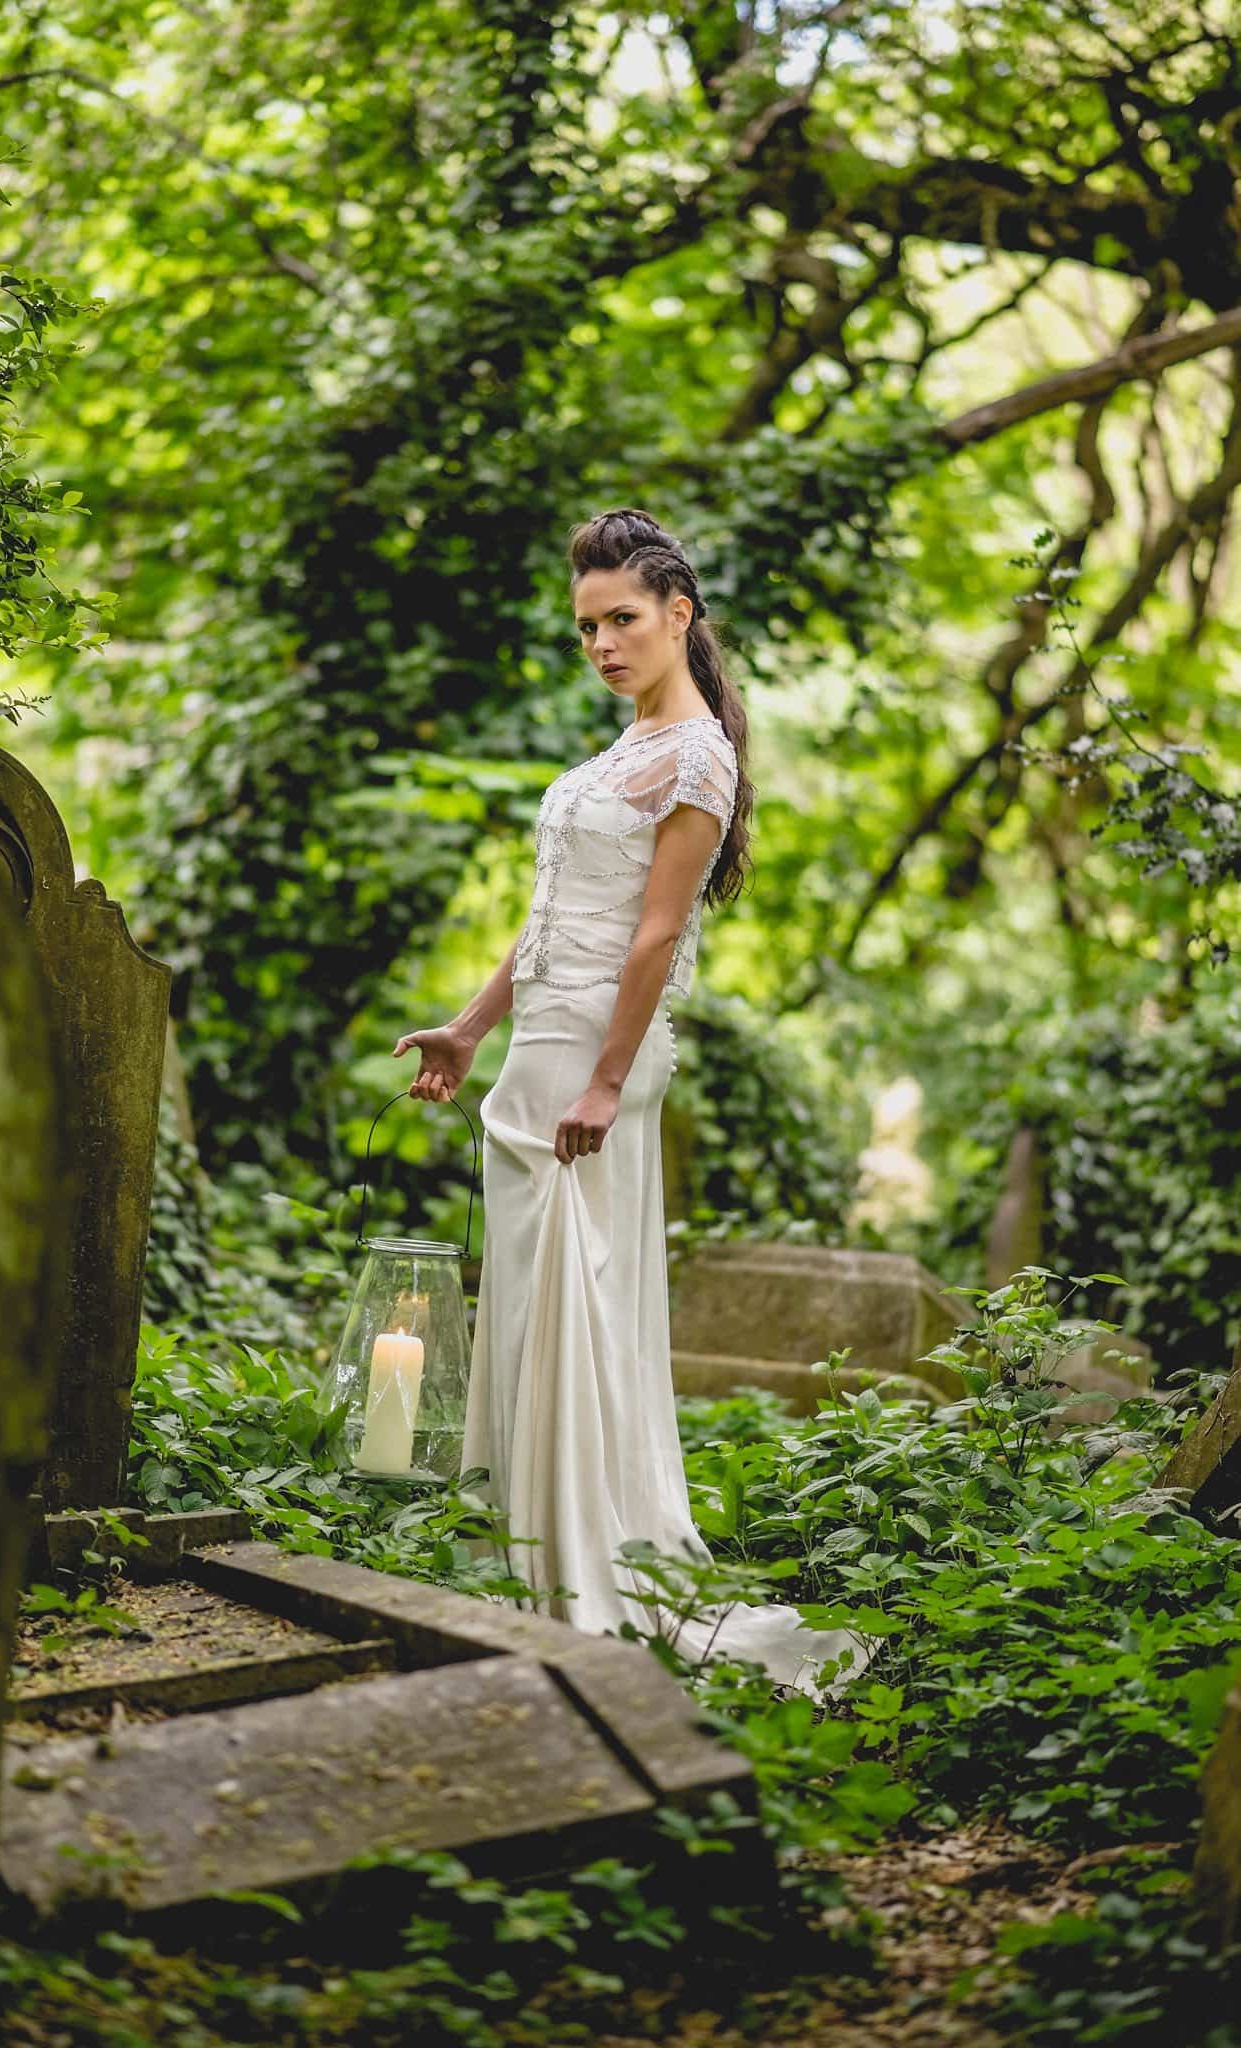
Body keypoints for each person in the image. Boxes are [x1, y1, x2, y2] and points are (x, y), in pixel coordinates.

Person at [392, 508, 872, 1699]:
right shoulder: (621, 748)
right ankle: (527, 1541)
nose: (602, 641)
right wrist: (467, 1023)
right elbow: (554, 914)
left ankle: (574, 1561)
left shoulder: (697, 757)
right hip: (546, 1037)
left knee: (572, 1290)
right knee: (535, 1290)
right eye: (587, 626)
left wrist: (608, 1075)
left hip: (599, 1049)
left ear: (677, 614)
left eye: (621, 619)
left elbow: (656, 931)